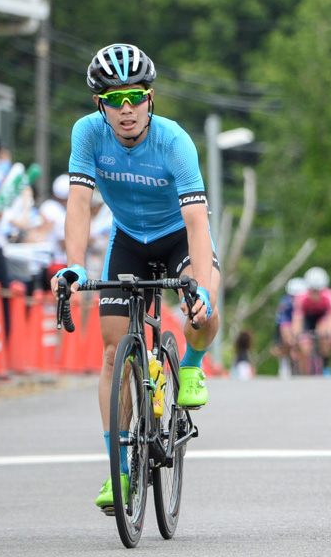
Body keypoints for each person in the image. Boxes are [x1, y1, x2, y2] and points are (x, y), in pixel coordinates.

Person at [52, 43, 219, 512]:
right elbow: (80, 204)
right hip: (128, 240)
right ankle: (119, 469)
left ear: (150, 98)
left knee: (203, 311)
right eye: (113, 99)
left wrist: (200, 288)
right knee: (112, 352)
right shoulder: (87, 134)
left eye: (135, 97)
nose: (126, 110)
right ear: (98, 105)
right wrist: (73, 265)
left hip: (178, 238)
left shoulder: (173, 141)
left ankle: (189, 366)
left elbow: (197, 222)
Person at [291, 266, 331, 375]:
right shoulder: (301, 298)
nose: (315, 294)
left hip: (322, 320)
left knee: (324, 335)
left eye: (318, 291)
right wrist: (295, 337)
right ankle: (304, 375)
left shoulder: (330, 297)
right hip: (307, 322)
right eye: (312, 290)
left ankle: (326, 366)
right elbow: (297, 320)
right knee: (304, 348)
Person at [274, 277, 307, 377]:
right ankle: (284, 360)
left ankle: (305, 367)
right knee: (286, 337)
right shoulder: (284, 303)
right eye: (292, 296)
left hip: (303, 324)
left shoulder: (307, 302)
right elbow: (280, 323)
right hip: (287, 323)